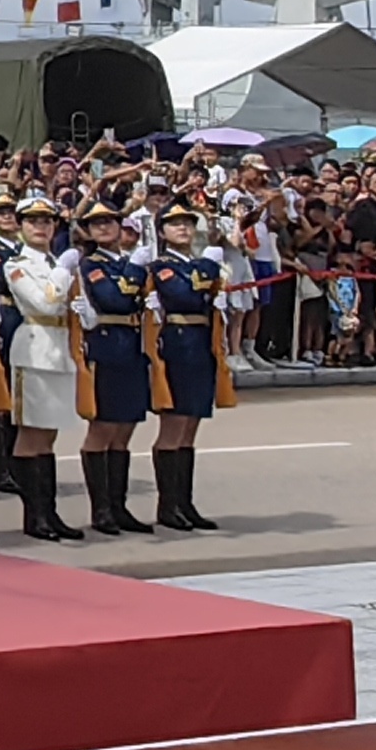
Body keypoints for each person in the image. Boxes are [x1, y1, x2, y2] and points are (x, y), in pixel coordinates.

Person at [0, 194, 86, 542]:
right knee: (32, 433)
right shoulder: (17, 264)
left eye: (47, 221)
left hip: (60, 349)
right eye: (33, 221)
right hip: (34, 347)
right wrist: (64, 272)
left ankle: (49, 512)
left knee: (48, 435)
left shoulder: (54, 261)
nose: (40, 227)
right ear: (20, 227)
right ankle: (34, 515)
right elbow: (45, 304)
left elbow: (72, 305)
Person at [143, 202, 230, 532]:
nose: (183, 229)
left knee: (191, 426)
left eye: (187, 224)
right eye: (174, 224)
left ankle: (184, 502)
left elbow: (206, 294)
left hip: (200, 342)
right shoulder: (162, 266)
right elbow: (182, 296)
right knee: (174, 424)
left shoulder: (197, 265)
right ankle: (167, 505)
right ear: (162, 231)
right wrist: (207, 280)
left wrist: (211, 289)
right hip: (177, 342)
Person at [73, 202, 157, 538]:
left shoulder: (123, 262)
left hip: (131, 344)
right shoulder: (92, 264)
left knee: (124, 429)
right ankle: (101, 510)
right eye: (97, 224)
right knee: (103, 428)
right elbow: (114, 300)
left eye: (109, 222)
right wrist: (136, 273)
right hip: (107, 344)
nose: (104, 228)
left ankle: (118, 506)